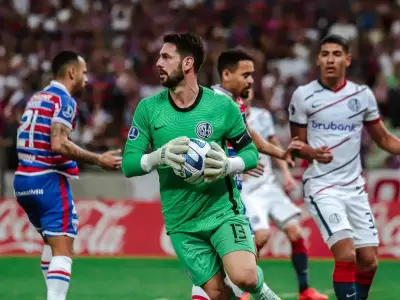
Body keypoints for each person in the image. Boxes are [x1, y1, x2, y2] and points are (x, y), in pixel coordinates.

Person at [122, 32, 286, 300]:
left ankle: (264, 293)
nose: (158, 63)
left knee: (244, 276)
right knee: (217, 294)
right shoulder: (148, 109)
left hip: (222, 211)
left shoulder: (221, 106)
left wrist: (227, 165)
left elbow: (251, 154)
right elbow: (129, 165)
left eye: (166, 57)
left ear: (187, 63)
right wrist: (158, 157)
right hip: (182, 222)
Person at [289, 34, 400, 300]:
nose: (330, 59)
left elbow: (383, 138)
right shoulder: (304, 96)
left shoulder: (362, 95)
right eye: (325, 54)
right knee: (346, 254)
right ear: (318, 60)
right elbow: (296, 146)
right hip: (322, 186)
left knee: (369, 261)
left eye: (336, 54)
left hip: (355, 188)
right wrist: (311, 152)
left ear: (347, 60)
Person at [13, 50, 122, 300]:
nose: (86, 79)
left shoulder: (36, 98)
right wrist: (98, 159)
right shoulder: (64, 100)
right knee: (63, 249)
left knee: (52, 245)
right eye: (84, 73)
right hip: (47, 178)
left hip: (23, 180)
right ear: (72, 72)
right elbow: (59, 144)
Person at [241, 90, 328, 300]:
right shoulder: (229, 118)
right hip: (247, 190)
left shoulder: (262, 116)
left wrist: (287, 175)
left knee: (296, 233)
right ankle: (242, 291)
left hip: (269, 186)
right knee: (260, 237)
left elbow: (273, 145)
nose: (247, 91)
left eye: (250, 87)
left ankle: (305, 290)